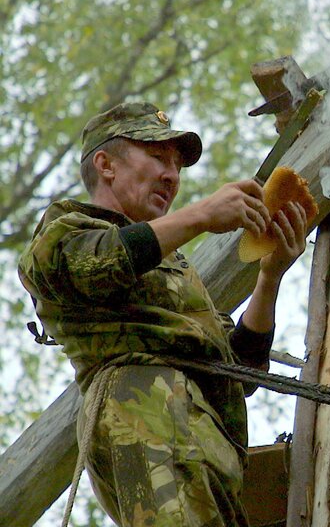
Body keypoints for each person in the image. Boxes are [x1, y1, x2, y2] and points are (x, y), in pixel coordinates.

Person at [18, 101, 308, 526]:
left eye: (176, 165)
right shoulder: (67, 229)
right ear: (105, 165)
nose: (172, 176)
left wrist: (270, 276)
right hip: (146, 413)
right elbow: (95, 262)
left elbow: (240, 367)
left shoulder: (175, 268)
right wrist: (203, 215)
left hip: (207, 446)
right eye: (157, 158)